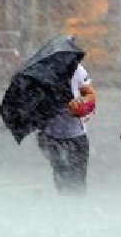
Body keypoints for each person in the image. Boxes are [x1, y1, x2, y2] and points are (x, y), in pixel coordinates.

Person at [38, 63, 96, 194]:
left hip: (76, 135)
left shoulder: (79, 70)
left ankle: (75, 207)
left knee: (77, 180)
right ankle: (66, 207)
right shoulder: (43, 73)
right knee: (61, 176)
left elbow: (90, 98)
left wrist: (81, 106)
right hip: (52, 137)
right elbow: (36, 105)